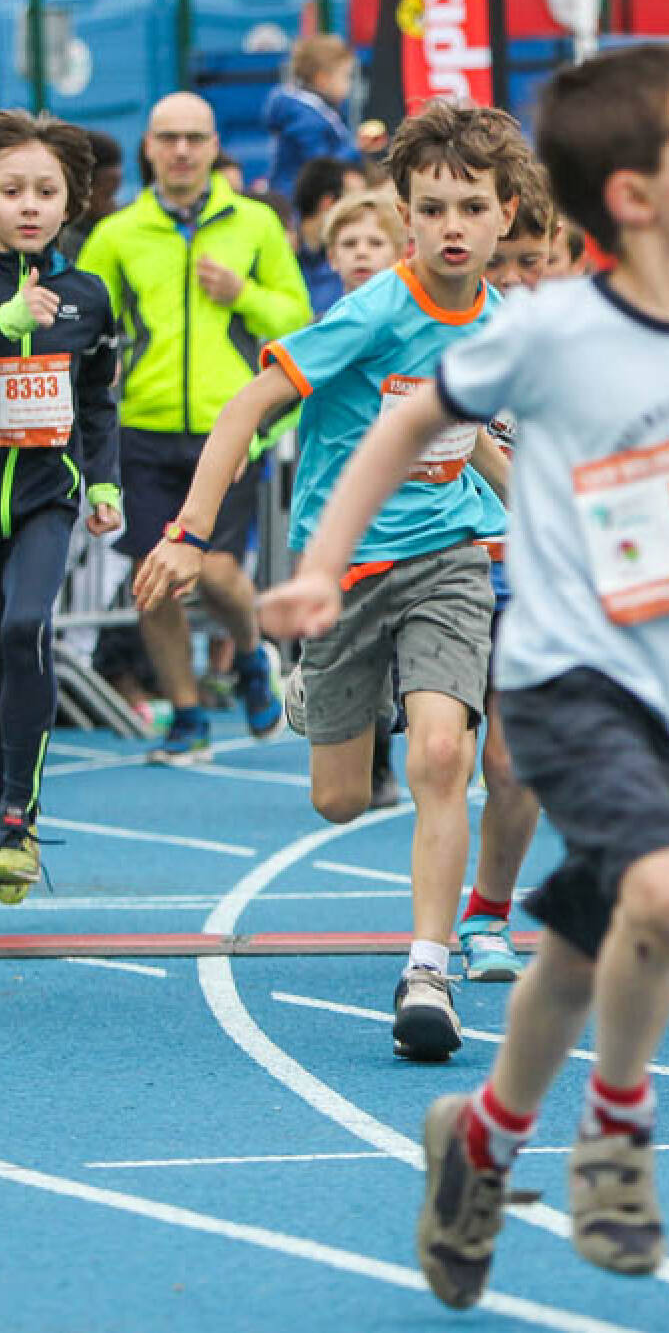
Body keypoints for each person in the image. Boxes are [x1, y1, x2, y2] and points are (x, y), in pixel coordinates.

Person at [256, 42, 669, 1306]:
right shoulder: (551, 330)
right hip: (571, 671)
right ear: (634, 194)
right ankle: (616, 1134)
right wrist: (323, 563)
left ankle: (481, 1141)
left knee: (586, 940)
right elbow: (406, 424)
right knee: (666, 889)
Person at [133, 100, 532, 1060]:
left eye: (472, 209)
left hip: (448, 556)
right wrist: (188, 533)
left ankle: (427, 970)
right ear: (405, 216)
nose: (451, 227)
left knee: (443, 754)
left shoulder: (502, 327)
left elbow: (473, 439)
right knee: (339, 802)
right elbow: (246, 408)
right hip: (344, 567)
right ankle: (318, 684)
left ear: (506, 216)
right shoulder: (374, 312)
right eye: (431, 209)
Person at [79, 92, 309, 763]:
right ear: (149, 148)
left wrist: (244, 295)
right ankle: (186, 715)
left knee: (214, 570)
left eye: (195, 138)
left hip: (228, 429)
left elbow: (297, 319)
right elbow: (86, 320)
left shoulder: (256, 224)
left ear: (213, 147)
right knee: (154, 577)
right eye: (169, 138)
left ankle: (251, 654)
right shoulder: (118, 233)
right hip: (142, 428)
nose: (181, 150)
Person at [0, 112, 121, 903]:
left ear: (71, 201)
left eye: (45, 191)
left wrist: (104, 482)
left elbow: (99, 401)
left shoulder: (86, 296)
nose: (29, 205)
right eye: (11, 190)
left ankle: (17, 815)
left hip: (46, 497)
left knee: (23, 628)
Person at [456, 159, 557, 983]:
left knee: (514, 761)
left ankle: (485, 915)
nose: (517, 278)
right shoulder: (436, 325)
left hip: (535, 573)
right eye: (503, 262)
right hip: (441, 561)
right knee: (439, 761)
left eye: (534, 261)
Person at [320, 186, 412, 811]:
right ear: (330, 257)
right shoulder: (327, 327)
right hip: (343, 509)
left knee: (405, 630)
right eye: (348, 243)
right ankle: (372, 756)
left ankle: (403, 742)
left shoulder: (415, 324)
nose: (360, 253)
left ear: (400, 251)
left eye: (374, 242)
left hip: (412, 501)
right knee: (359, 639)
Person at [294, 156, 368, 315]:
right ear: (329, 203)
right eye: (355, 201)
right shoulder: (278, 247)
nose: (365, 211)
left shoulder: (362, 262)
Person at [57, 128, 122, 261]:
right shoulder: (64, 243)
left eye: (115, 195)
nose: (113, 205)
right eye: (107, 195)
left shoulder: (120, 227)